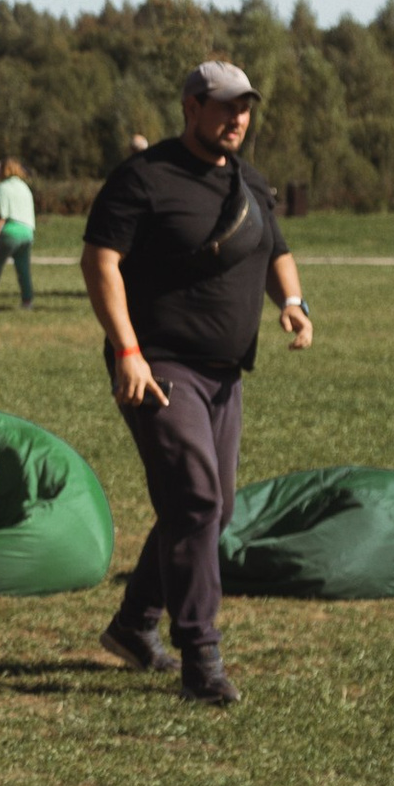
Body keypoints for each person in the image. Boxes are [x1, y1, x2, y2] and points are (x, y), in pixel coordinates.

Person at [82, 60, 314, 708]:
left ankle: (133, 624)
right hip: (157, 362)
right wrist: (127, 350)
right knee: (195, 497)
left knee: (215, 507)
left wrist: (293, 301)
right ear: (191, 106)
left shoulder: (250, 182)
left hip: (224, 372)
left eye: (245, 107)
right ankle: (201, 655)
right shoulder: (144, 178)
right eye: (224, 105)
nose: (237, 117)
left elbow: (276, 248)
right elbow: (99, 262)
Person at [0, 161, 37, 311]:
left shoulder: (3, 188)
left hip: (10, 232)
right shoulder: (25, 187)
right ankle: (27, 300)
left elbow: (2, 215)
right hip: (28, 232)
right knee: (23, 268)